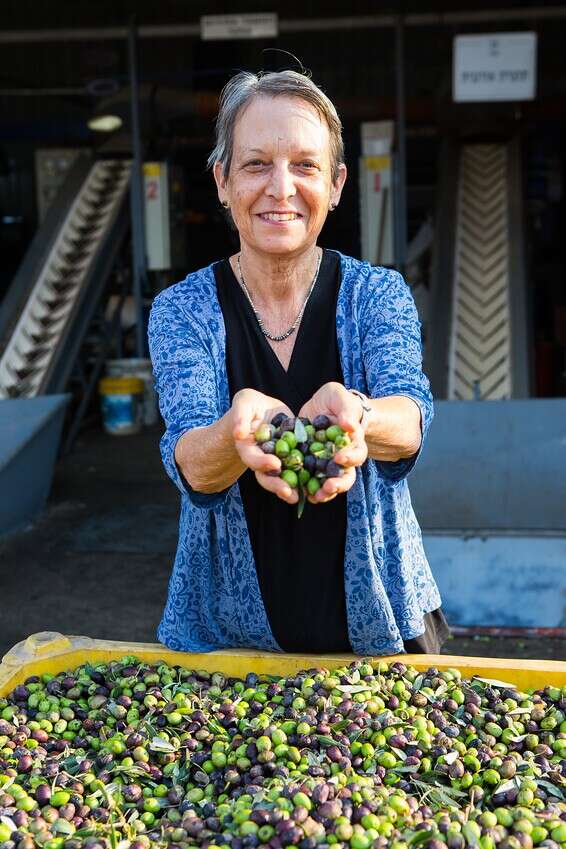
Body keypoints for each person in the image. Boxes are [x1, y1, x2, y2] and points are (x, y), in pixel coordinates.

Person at [148, 69, 449, 657]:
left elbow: (411, 419)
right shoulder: (181, 310)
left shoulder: (377, 294)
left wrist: (359, 417)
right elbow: (190, 461)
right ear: (222, 180)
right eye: (256, 163)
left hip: (384, 619)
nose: (280, 188)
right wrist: (233, 435)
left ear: (337, 184)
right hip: (226, 637)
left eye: (306, 166)